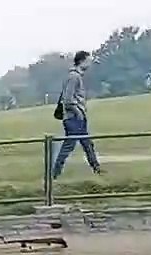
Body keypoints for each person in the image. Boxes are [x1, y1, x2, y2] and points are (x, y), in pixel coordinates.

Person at [53, 50, 103, 179]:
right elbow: (68, 100)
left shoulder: (76, 76)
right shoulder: (74, 77)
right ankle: (54, 173)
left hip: (77, 117)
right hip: (73, 118)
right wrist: (78, 112)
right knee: (69, 145)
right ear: (82, 61)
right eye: (88, 60)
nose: (90, 63)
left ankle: (96, 168)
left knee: (87, 143)